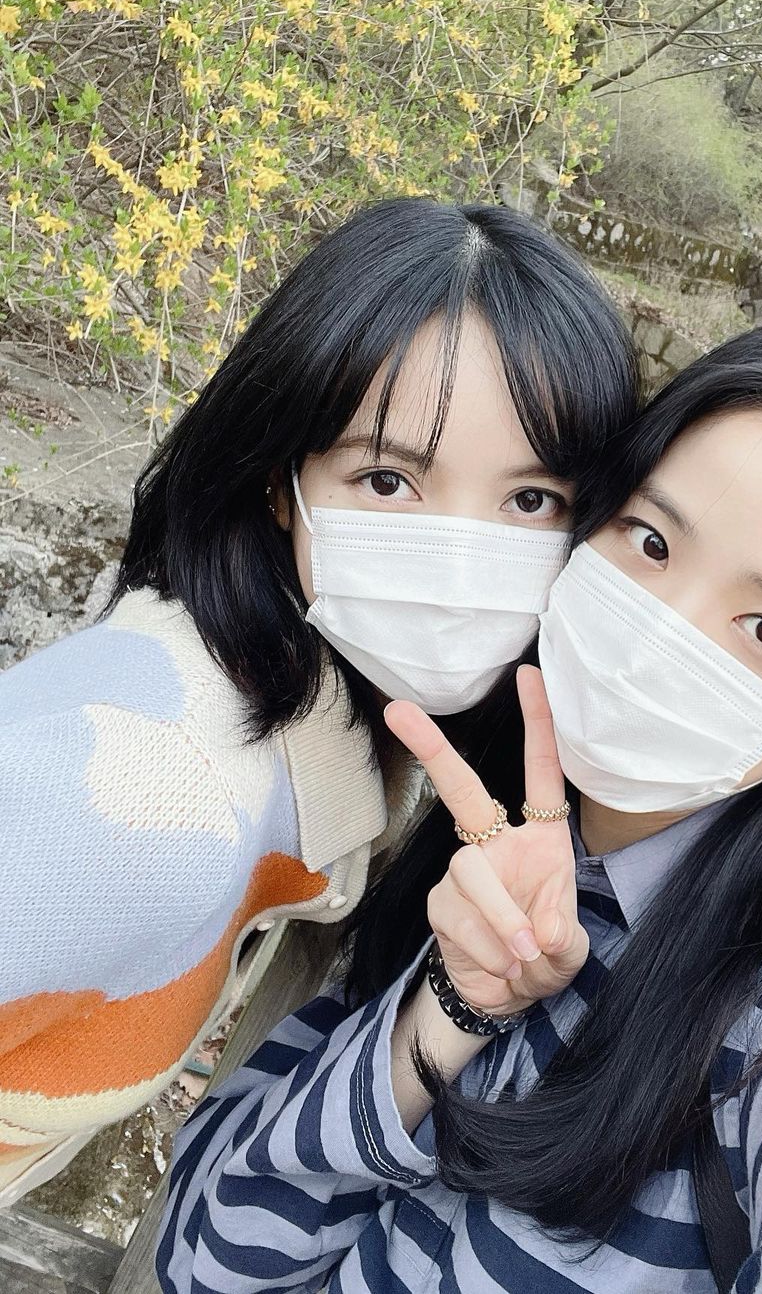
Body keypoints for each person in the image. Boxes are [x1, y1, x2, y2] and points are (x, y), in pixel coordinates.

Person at [155, 312, 762, 1294]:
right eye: (650, 540)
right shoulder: (481, 851)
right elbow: (206, 1258)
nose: (660, 633)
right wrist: (445, 1012)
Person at [0, 197, 640, 1204]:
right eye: (386, 481)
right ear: (277, 481)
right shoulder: (146, 796)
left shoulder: (348, 730)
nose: (457, 562)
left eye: (530, 500)